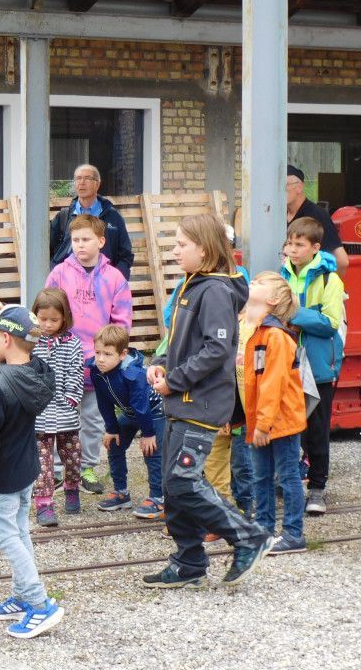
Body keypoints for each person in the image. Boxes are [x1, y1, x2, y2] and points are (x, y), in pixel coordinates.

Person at [143, 213, 273, 588]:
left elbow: (216, 349)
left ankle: (249, 536)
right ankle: (189, 562)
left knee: (183, 482)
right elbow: (181, 342)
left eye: (181, 244)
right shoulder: (193, 284)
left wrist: (175, 381)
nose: (174, 251)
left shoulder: (214, 290)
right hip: (183, 401)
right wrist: (160, 364)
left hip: (200, 405)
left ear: (204, 249)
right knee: (173, 486)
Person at [0, 305, 64, 639]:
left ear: (5, 338)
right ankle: (21, 596)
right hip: (27, 471)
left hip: (3, 478)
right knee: (20, 533)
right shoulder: (37, 376)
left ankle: (39, 602)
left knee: (7, 538)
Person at [45, 214, 133, 496]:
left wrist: (110, 354)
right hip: (63, 361)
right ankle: (58, 470)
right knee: (61, 414)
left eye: (86, 239)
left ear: (101, 241)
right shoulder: (59, 273)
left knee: (94, 418)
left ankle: (86, 467)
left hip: (98, 363)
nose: (80, 245)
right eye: (75, 240)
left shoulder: (114, 278)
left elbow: (121, 322)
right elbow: (48, 312)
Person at [280, 217, 345, 515]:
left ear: (315, 248)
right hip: (287, 362)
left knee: (317, 429)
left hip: (318, 366)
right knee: (289, 425)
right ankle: (291, 479)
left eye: (299, 245)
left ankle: (317, 488)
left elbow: (330, 323)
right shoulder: (282, 274)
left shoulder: (330, 280)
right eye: (289, 244)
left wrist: (293, 314)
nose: (292, 250)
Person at [241, 271, 308, 555]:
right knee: (262, 476)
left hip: (279, 421)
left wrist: (262, 424)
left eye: (259, 282)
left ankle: (293, 534)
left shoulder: (276, 337)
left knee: (287, 476)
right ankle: (264, 529)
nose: (252, 282)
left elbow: (273, 383)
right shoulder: (260, 332)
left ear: (273, 299)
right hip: (265, 420)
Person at [87, 324, 165, 520]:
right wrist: (111, 428)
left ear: (122, 354)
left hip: (154, 411)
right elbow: (103, 401)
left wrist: (148, 434)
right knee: (114, 443)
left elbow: (142, 407)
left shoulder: (133, 374)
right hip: (131, 413)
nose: (101, 359)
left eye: (107, 354)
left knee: (151, 451)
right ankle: (121, 493)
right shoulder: (96, 370)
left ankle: (158, 498)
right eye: (98, 352)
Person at [30, 288, 84, 527]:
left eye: (54, 319)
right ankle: (43, 504)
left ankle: (72, 488)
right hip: (39, 415)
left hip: (65, 414)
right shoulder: (31, 343)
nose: (48, 324)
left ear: (64, 318)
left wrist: (70, 400)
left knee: (72, 458)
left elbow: (76, 374)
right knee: (42, 462)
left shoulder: (73, 344)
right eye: (43, 319)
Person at [49, 164, 134, 279]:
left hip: (103, 281)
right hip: (68, 281)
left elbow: (125, 255)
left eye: (87, 178)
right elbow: (47, 250)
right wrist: (55, 273)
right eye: (78, 178)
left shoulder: (113, 217)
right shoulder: (63, 216)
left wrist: (115, 280)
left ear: (97, 184)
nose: (82, 182)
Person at [285, 164, 349, 276]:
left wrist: (326, 283)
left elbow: (341, 261)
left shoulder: (317, 215)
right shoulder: (276, 216)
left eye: (284, 185)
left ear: (299, 187)